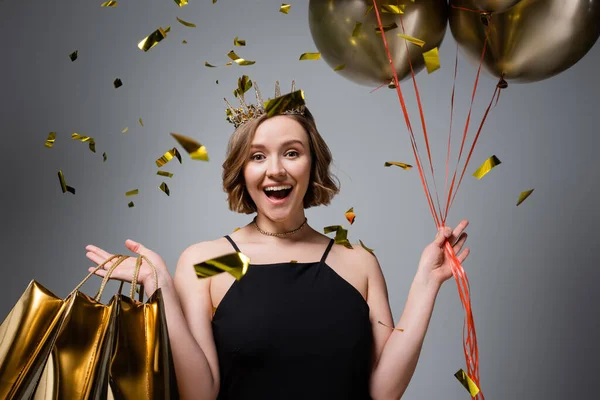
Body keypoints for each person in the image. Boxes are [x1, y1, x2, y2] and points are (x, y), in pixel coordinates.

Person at [85, 81, 470, 400]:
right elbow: (200, 393)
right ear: (242, 169)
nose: (275, 170)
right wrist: (161, 286)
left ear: (312, 164)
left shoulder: (357, 262)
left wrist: (425, 283)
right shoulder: (210, 262)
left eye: (291, 153)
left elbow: (383, 391)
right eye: (257, 156)